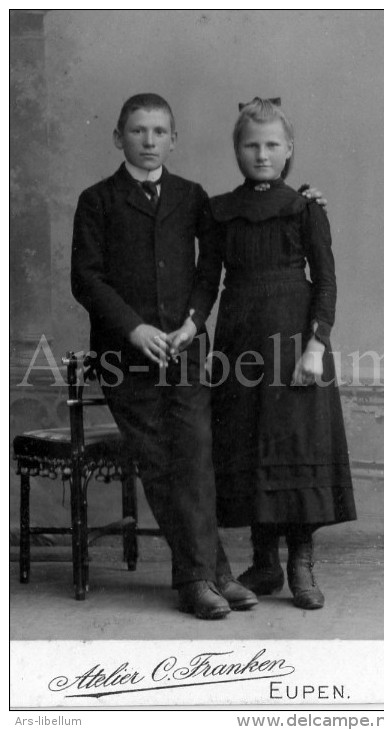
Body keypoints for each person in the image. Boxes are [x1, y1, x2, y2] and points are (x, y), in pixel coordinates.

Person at [71, 92, 326, 620]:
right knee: (162, 462)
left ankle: (212, 573)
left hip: (187, 350)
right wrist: (135, 328)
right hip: (127, 358)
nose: (148, 141)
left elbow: (210, 271)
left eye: (159, 132)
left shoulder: (193, 197)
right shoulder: (97, 200)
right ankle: (200, 579)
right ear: (118, 137)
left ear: (173, 139)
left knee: (196, 459)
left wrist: (191, 324)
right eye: (137, 131)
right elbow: (86, 278)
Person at [186, 97, 357, 611]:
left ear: (289, 150)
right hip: (239, 340)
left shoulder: (305, 208)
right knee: (252, 441)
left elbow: (326, 283)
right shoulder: (218, 210)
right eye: (251, 145)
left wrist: (315, 345)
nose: (262, 154)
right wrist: (192, 325)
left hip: (294, 340)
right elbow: (206, 282)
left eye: (272, 145)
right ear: (237, 150)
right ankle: (264, 562)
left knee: (297, 442)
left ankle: (301, 560)